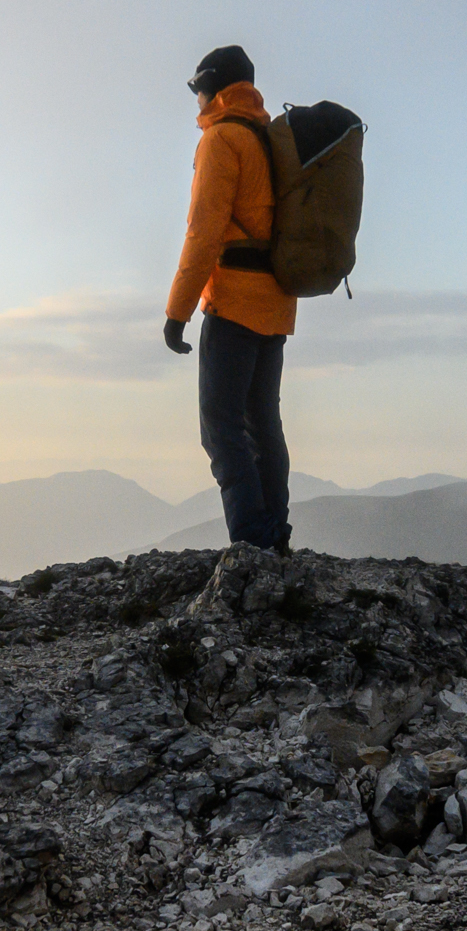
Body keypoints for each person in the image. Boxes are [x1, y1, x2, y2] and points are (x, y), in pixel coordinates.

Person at [164, 42, 295, 556]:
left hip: (234, 302)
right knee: (262, 421)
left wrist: (177, 313)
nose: (195, 101)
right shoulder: (267, 139)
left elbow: (204, 232)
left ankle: (253, 539)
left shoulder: (222, 140)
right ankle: (273, 532)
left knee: (221, 426)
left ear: (212, 88)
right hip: (278, 302)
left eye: (198, 90)